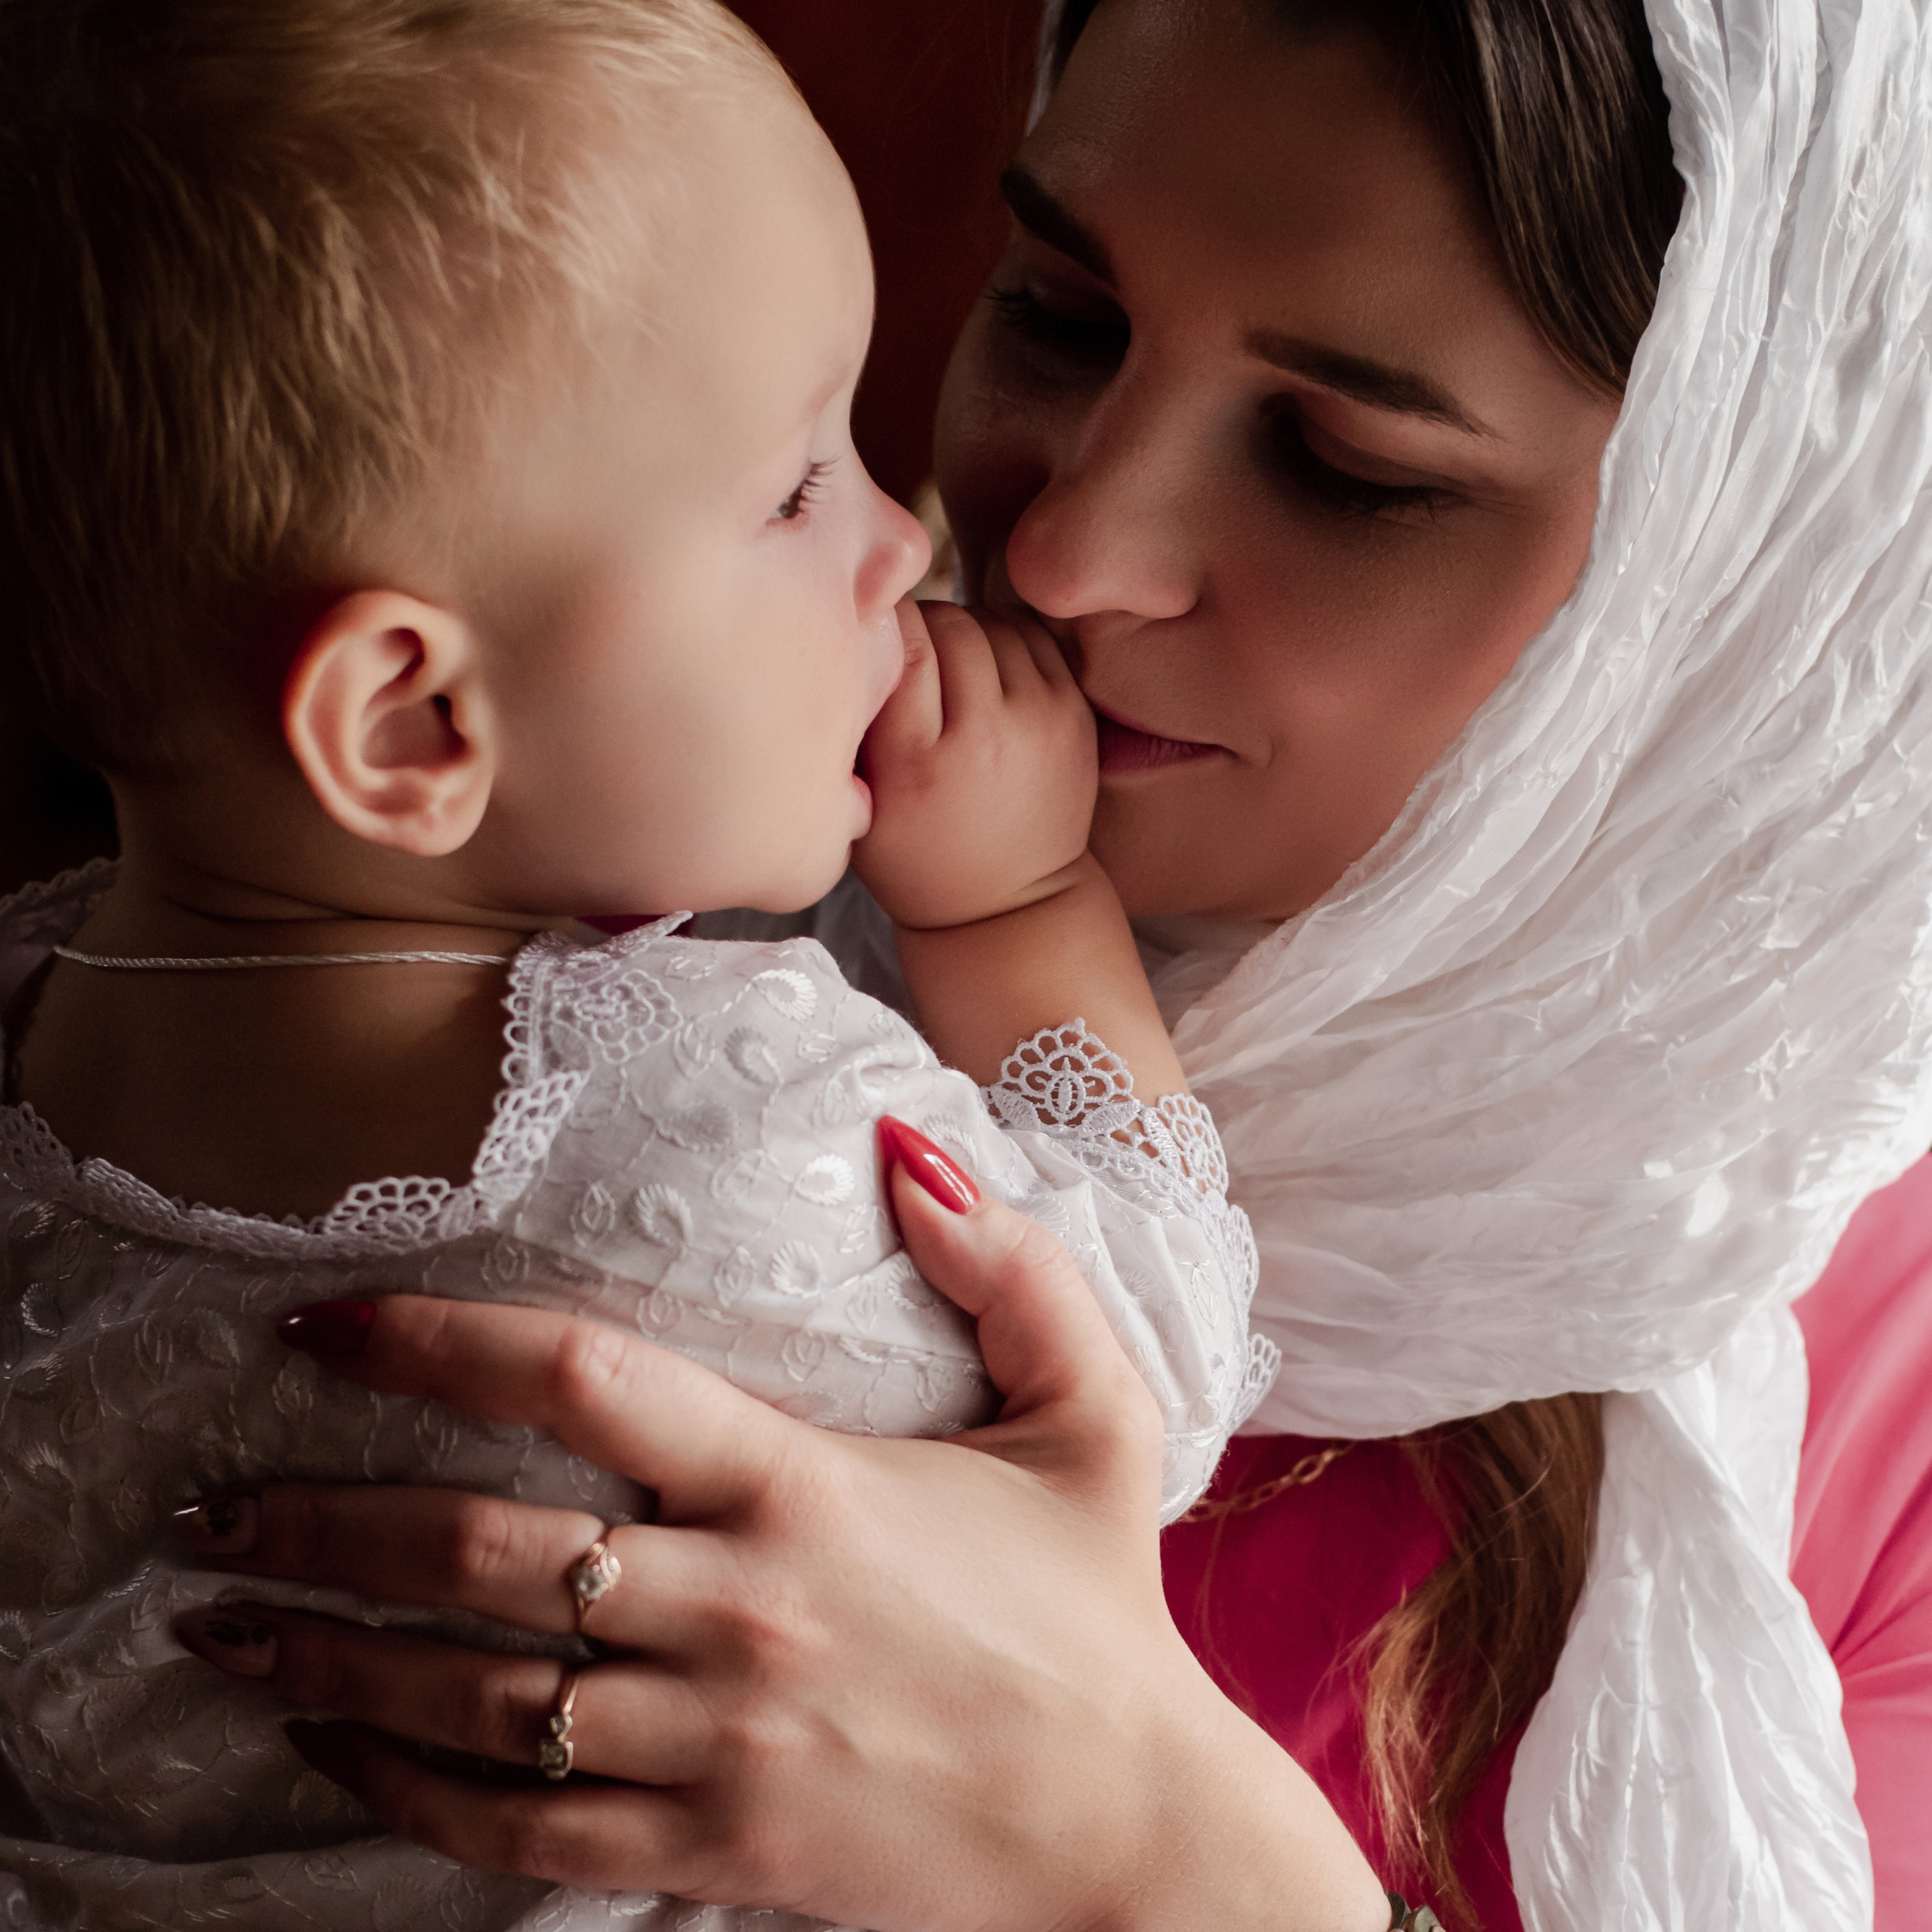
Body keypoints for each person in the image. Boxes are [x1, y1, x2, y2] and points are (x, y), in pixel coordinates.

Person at [14, 0, 1932, 1928]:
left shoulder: (1884, 1394)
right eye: (1059, 315)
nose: (1066, 547)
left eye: (1347, 464)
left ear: (1744, 588)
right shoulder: (572, 795)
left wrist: (1160, 1845)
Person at [0, 0, 1282, 1923]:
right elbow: (1137, 1377)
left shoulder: (32, 1018)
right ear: (412, 725)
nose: (900, 542)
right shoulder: (719, 1126)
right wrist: (1014, 909)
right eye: (791, 492)